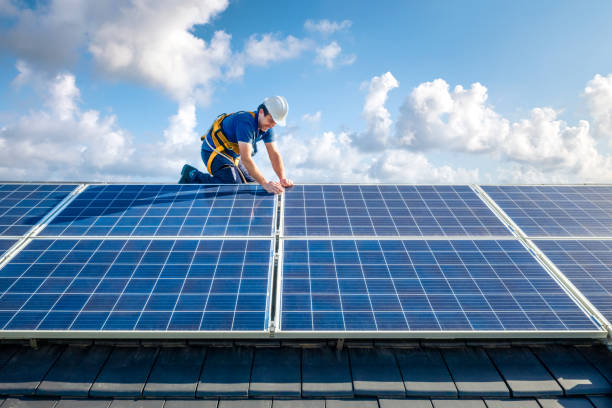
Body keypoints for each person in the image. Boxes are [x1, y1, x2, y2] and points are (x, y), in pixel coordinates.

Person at [179, 96, 293, 194]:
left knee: (251, 183)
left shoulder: (267, 127)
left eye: (275, 123)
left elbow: (274, 154)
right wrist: (265, 183)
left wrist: (282, 178)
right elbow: (246, 158)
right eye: (271, 120)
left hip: (232, 155)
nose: (272, 125)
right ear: (262, 112)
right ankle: (192, 175)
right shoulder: (246, 122)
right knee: (232, 185)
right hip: (213, 150)